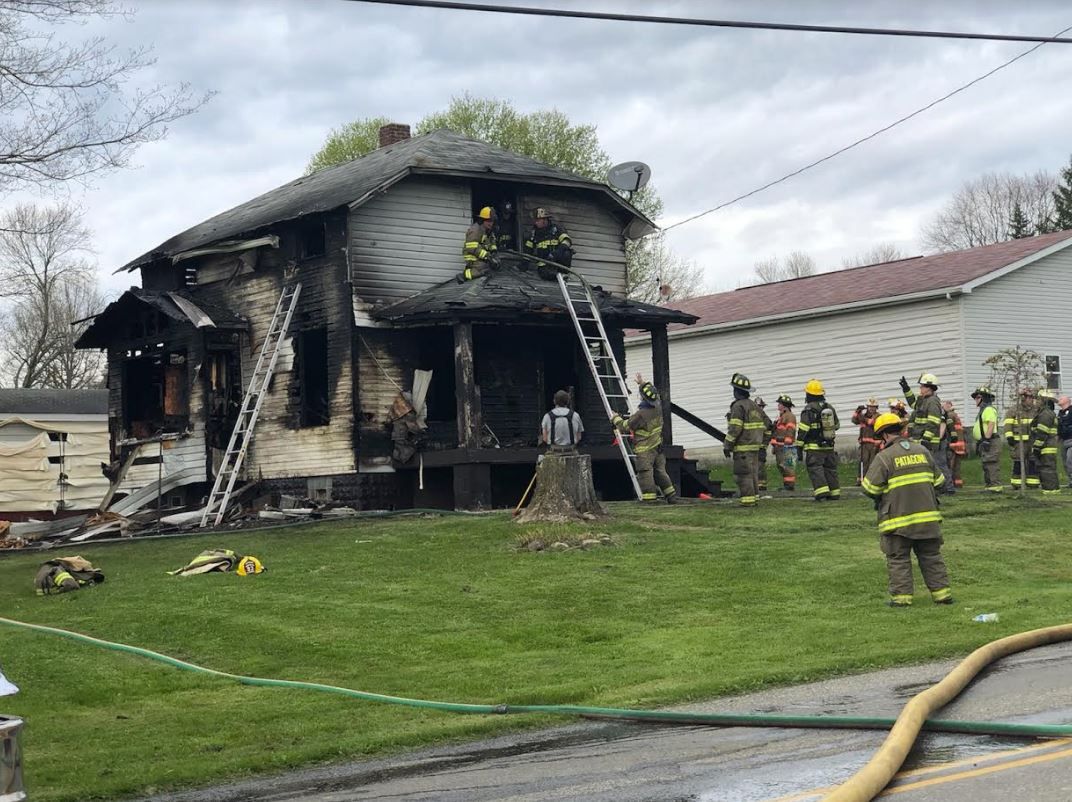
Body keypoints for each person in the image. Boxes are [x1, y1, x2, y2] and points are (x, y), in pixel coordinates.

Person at [861, 413, 953, 608]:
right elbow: (940, 482)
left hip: (898, 521)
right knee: (931, 557)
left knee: (898, 558)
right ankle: (942, 596)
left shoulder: (884, 457)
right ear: (901, 430)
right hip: (928, 519)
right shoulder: (923, 451)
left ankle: (902, 600)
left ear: (884, 435)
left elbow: (870, 489)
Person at [611, 374, 677, 503]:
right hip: (658, 446)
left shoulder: (641, 415)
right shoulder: (658, 407)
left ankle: (650, 499)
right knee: (660, 472)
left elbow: (625, 426)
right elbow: (653, 393)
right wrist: (642, 383)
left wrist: (615, 418)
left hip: (645, 450)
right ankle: (671, 496)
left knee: (645, 473)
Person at [900, 372, 951, 490]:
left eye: (922, 386)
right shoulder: (923, 400)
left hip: (929, 441)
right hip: (921, 439)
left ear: (929, 388)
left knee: (935, 465)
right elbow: (913, 404)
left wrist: (926, 439)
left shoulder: (933, 401)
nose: (920, 388)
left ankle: (945, 488)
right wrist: (906, 389)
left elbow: (933, 422)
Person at [723, 373, 766, 507]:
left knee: (743, 475)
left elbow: (735, 428)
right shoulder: (755, 406)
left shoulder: (738, 406)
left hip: (743, 447)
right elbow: (767, 424)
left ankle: (747, 501)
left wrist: (727, 445)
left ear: (737, 391)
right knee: (753, 474)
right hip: (755, 447)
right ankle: (754, 498)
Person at [796, 379, 840, 501]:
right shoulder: (829, 407)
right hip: (829, 446)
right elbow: (837, 425)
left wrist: (798, 446)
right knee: (830, 469)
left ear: (809, 394)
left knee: (816, 469)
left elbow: (803, 429)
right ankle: (834, 493)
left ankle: (821, 493)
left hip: (814, 447)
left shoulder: (808, 409)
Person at [1004, 386, 1041, 490]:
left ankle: (1033, 483)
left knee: (1033, 461)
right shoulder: (1014, 410)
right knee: (1018, 461)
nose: (1031, 400)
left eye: (1032, 398)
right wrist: (1009, 437)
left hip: (1032, 441)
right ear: (1023, 398)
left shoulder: (1036, 410)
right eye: (1029, 398)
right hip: (1019, 442)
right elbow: (1008, 425)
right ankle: (1017, 483)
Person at [970, 386, 1002, 492]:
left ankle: (995, 486)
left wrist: (987, 439)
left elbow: (991, 424)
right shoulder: (983, 410)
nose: (976, 400)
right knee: (986, 463)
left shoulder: (988, 409)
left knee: (991, 463)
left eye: (978, 397)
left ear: (984, 398)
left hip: (991, 440)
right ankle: (989, 486)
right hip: (986, 440)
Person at [1030, 388, 1061, 495]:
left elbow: (1042, 432)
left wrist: (1037, 447)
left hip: (1046, 446)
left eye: (1038, 400)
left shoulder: (1046, 414)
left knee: (1047, 469)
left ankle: (1051, 490)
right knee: (1046, 468)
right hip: (1046, 445)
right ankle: (1050, 489)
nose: (1036, 402)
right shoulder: (1046, 413)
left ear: (1044, 401)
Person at [459, 206, 500, 282]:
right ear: (482, 220)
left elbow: (492, 241)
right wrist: (487, 257)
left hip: (481, 256)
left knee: (494, 265)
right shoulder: (475, 230)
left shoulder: (487, 230)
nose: (491, 223)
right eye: (488, 221)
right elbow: (472, 248)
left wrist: (493, 251)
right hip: (472, 257)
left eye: (492, 221)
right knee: (485, 268)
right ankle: (464, 275)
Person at [771, 394, 797, 491]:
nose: (778, 406)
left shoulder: (789, 416)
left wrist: (787, 444)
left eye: (779, 404)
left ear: (784, 405)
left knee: (788, 466)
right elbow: (777, 432)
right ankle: (787, 484)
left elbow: (790, 430)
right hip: (780, 446)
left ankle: (789, 486)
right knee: (782, 466)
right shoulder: (781, 417)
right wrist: (774, 445)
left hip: (786, 446)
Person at [851, 398, 880, 483]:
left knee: (872, 462)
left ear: (876, 408)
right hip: (864, 443)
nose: (871, 409)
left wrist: (860, 416)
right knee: (863, 461)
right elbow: (854, 420)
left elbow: (871, 422)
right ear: (867, 407)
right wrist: (857, 411)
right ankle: (860, 479)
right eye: (870, 407)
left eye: (873, 407)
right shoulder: (863, 416)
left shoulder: (878, 416)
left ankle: (870, 480)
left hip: (874, 444)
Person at [942, 400, 966, 490]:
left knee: (950, 466)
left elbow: (949, 430)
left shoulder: (950, 416)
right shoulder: (955, 415)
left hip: (953, 445)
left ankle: (950, 485)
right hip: (959, 445)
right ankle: (958, 484)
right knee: (957, 467)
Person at [755, 396, 774, 493]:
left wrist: (764, 443)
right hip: (754, 446)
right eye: (757, 406)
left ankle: (762, 486)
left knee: (760, 466)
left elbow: (766, 431)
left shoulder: (765, 419)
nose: (759, 408)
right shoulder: (753, 417)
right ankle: (756, 485)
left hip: (761, 447)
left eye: (760, 406)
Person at [1058, 395, 1072, 488]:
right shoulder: (1060, 413)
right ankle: (1071, 480)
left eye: (1061, 398)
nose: (1059, 399)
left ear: (1067, 401)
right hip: (1063, 440)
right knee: (1064, 461)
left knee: (1070, 460)